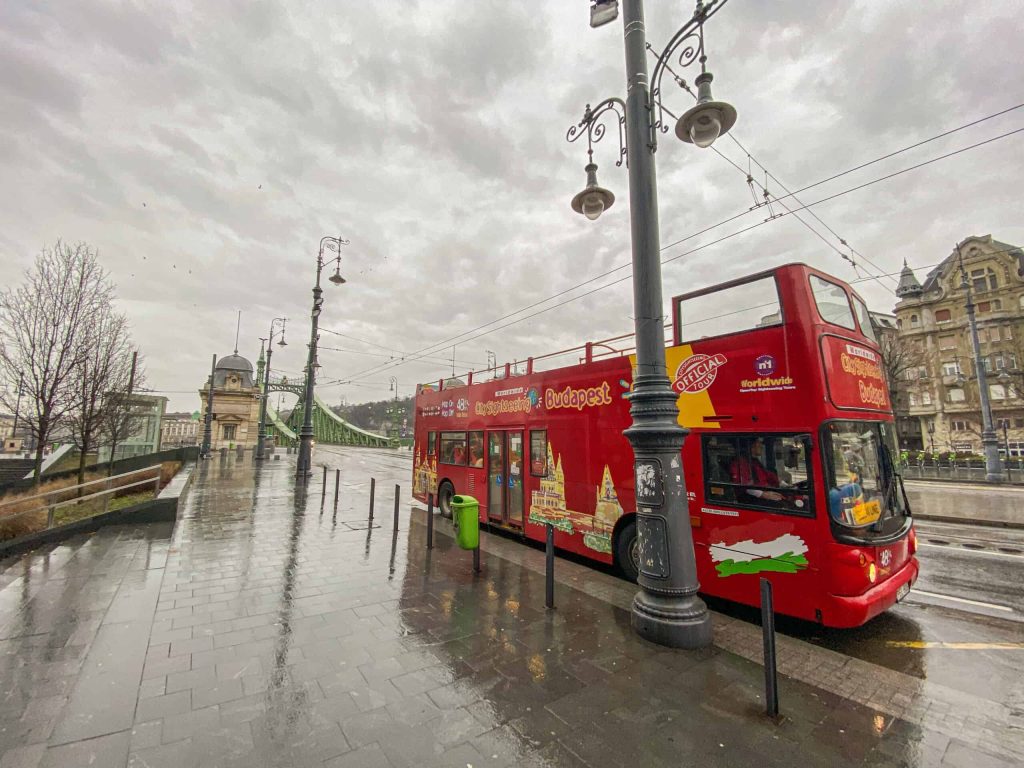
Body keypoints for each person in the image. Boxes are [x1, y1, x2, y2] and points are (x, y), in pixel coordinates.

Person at [729, 437, 784, 502]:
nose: (761, 446)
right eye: (759, 443)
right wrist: (763, 494)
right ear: (751, 446)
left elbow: (768, 475)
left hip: (765, 493)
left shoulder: (755, 461)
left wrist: (783, 484)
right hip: (750, 500)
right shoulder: (739, 463)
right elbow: (743, 486)